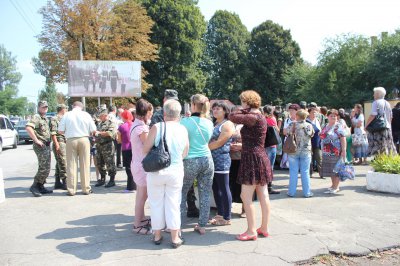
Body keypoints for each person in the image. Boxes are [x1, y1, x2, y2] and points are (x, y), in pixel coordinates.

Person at [144, 99, 189, 248]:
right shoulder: (183, 129)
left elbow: (145, 149)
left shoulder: (157, 127)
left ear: (164, 113)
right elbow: (185, 151)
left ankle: (157, 235)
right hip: (175, 170)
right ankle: (175, 238)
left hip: (156, 171)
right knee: (174, 203)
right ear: (179, 114)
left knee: (156, 203)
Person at [229, 90, 273, 241]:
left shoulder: (252, 116)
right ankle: (264, 228)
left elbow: (232, 116)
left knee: (245, 196)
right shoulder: (259, 116)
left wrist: (242, 109)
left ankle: (251, 231)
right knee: (263, 195)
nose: (241, 103)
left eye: (242, 101)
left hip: (252, 159)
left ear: (246, 101)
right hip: (260, 156)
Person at [180, 94, 214, 235]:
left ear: (193, 105)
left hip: (190, 160)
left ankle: (177, 225)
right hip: (207, 159)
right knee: (205, 192)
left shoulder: (184, 122)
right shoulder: (209, 123)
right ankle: (202, 225)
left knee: (181, 191)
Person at [58, 101, 97, 196]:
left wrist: (69, 131)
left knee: (71, 165)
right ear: (82, 107)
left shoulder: (67, 115)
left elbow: (60, 131)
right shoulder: (86, 114)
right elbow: (93, 130)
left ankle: (71, 189)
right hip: (84, 139)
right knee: (85, 164)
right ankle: (86, 188)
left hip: (71, 140)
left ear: (72, 106)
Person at [209, 101, 235, 226]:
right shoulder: (215, 124)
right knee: (215, 188)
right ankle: (220, 214)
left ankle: (227, 217)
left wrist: (205, 147)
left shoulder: (227, 124)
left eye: (218, 109)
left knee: (224, 188)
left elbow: (220, 142)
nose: (215, 111)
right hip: (212, 160)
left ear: (225, 111)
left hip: (222, 160)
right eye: (214, 109)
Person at [130, 99, 153, 234]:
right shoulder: (141, 128)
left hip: (138, 164)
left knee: (141, 195)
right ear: (146, 112)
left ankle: (141, 218)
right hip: (142, 166)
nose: (151, 115)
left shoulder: (136, 124)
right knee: (142, 196)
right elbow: (148, 145)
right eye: (150, 112)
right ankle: (137, 224)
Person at [26, 100, 53, 197]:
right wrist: (36, 140)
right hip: (40, 146)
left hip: (46, 145)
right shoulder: (36, 117)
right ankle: (35, 186)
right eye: (43, 107)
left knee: (47, 168)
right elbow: (29, 128)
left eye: (46, 107)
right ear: (38, 108)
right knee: (43, 168)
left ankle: (41, 186)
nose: (45, 108)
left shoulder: (44, 118)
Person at [285, 110, 314, 197]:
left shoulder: (292, 124)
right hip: (306, 151)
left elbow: (286, 133)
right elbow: (312, 135)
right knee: (305, 172)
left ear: (297, 116)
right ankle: (307, 192)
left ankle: (291, 192)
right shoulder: (309, 125)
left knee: (293, 172)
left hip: (293, 151)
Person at [320, 109, 347, 194]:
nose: (333, 117)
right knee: (330, 169)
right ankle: (333, 185)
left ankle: (336, 187)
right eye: (331, 115)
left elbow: (343, 138)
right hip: (326, 151)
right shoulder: (325, 125)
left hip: (336, 151)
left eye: (335, 116)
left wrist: (344, 150)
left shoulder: (338, 126)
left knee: (336, 169)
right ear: (327, 117)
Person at [365, 87, 397, 156]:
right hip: (387, 128)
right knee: (386, 148)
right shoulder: (387, 103)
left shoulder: (375, 102)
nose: (373, 95)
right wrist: (389, 126)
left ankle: (379, 164)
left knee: (378, 149)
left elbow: (373, 115)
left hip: (378, 129)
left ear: (377, 94)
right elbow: (391, 116)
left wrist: (366, 125)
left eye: (374, 94)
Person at [94, 109, 117, 188]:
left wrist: (99, 133)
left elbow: (110, 133)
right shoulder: (100, 124)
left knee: (110, 163)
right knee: (99, 163)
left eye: (101, 116)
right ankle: (102, 179)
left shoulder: (111, 123)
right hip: (99, 145)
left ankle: (112, 180)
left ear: (105, 115)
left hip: (107, 145)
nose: (99, 117)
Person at [49, 104, 69, 190]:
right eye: (66, 109)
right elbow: (53, 133)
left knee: (59, 163)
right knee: (63, 162)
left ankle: (57, 182)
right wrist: (56, 144)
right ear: (62, 109)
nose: (67, 110)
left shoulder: (64, 118)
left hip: (64, 141)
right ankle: (65, 182)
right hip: (59, 142)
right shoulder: (54, 119)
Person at [229, 114, 245, 217]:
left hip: (243, 159)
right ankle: (227, 207)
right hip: (229, 159)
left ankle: (244, 209)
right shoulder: (228, 125)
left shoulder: (246, 126)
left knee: (243, 185)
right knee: (230, 184)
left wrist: (241, 146)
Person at [117, 110, 136, 192]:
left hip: (126, 149)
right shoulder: (135, 125)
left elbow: (119, 140)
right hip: (135, 148)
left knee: (128, 168)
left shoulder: (121, 127)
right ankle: (136, 185)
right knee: (135, 167)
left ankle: (130, 187)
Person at [263, 105, 280, 194]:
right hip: (272, 144)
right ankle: (269, 187)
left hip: (264, 144)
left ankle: (263, 186)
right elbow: (277, 130)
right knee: (270, 167)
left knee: (264, 166)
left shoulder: (262, 119)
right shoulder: (272, 118)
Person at [307, 106, 322, 178]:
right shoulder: (306, 121)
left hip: (317, 141)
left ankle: (321, 173)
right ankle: (310, 173)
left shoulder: (317, 120)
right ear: (309, 113)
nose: (314, 114)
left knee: (319, 157)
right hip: (309, 142)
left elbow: (320, 130)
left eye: (315, 113)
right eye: (313, 112)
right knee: (310, 158)